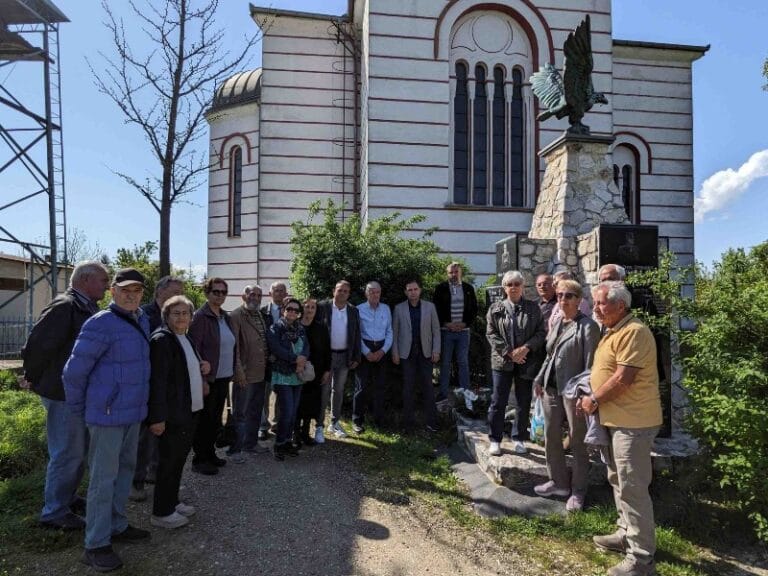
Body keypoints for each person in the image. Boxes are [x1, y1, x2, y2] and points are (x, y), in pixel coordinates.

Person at [63, 268, 152, 572]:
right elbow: (74, 373)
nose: (131, 295)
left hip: (132, 414)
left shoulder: (141, 319)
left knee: (124, 472)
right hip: (107, 417)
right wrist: (80, 411)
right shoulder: (100, 323)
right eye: (125, 289)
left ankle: (117, 524)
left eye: (137, 290)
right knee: (103, 480)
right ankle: (96, 544)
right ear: (113, 291)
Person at [580, 281, 662, 576]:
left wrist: (593, 399)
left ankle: (641, 558)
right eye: (595, 303)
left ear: (620, 305)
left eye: (601, 303)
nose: (596, 308)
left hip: (633, 423)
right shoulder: (613, 330)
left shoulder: (634, 331)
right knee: (618, 481)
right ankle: (625, 532)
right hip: (617, 420)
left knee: (633, 488)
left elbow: (622, 378)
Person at [22, 260, 110, 530]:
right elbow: (37, 346)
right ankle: (54, 512)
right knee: (67, 452)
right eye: (103, 280)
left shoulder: (86, 307)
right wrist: (33, 378)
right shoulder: (65, 306)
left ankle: (67, 498)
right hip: (62, 392)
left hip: (76, 392)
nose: (107, 286)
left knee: (77, 451)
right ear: (85, 280)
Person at [533, 280, 600, 511]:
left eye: (569, 295)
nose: (563, 299)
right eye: (560, 295)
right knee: (551, 436)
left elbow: (591, 366)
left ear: (579, 299)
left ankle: (578, 491)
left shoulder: (588, 327)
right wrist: (539, 378)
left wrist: (584, 395)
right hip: (551, 389)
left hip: (574, 393)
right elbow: (549, 355)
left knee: (578, 441)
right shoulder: (559, 322)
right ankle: (558, 482)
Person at [147, 295, 210, 529]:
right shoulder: (162, 340)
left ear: (191, 317)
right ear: (166, 316)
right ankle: (161, 512)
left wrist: (203, 366)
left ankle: (172, 502)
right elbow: (157, 382)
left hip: (188, 411)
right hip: (172, 415)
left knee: (178, 461)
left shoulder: (184, 337)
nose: (182, 317)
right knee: (168, 463)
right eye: (176, 313)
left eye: (185, 313)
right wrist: (157, 418)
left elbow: (187, 368)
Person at [131, 275, 185, 502]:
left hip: (169, 386)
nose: (179, 297)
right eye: (175, 292)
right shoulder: (144, 314)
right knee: (144, 437)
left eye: (181, 293)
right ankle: (136, 482)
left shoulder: (176, 315)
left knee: (163, 434)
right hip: (147, 383)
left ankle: (155, 473)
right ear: (160, 292)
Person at [485, 270, 546, 455]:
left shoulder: (533, 308)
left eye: (517, 284)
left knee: (523, 401)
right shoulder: (495, 308)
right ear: (504, 288)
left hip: (526, 360)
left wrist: (525, 348)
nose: (513, 287)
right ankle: (495, 439)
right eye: (509, 284)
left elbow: (541, 332)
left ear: (522, 287)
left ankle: (518, 437)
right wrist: (509, 353)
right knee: (498, 401)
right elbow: (491, 333)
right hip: (502, 361)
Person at [188, 277, 237, 475]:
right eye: (216, 291)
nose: (220, 295)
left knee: (215, 419)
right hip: (209, 379)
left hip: (223, 377)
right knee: (205, 421)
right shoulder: (200, 317)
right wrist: (202, 380)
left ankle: (210, 454)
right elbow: (195, 349)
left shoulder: (225, 317)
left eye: (223, 292)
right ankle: (200, 460)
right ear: (207, 293)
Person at [392, 279, 441, 432]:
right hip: (406, 354)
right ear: (405, 292)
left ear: (420, 290)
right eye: (409, 290)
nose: (413, 292)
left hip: (426, 354)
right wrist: (395, 352)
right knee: (408, 388)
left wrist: (436, 350)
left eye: (415, 289)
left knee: (428, 388)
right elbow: (394, 333)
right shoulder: (399, 308)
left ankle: (431, 423)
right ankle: (408, 424)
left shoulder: (430, 307)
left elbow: (436, 331)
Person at [228, 285, 270, 462]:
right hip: (245, 374)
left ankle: (251, 444)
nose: (256, 298)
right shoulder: (236, 316)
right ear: (244, 296)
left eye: (259, 295)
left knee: (255, 411)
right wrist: (239, 373)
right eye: (252, 294)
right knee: (241, 413)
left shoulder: (259, 314)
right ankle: (235, 450)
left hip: (260, 373)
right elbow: (235, 348)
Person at [317, 280, 361, 438]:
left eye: (345, 291)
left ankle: (334, 423)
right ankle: (319, 425)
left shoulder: (353, 310)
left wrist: (356, 356)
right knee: (324, 391)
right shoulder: (322, 307)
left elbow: (357, 334)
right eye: (340, 290)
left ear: (349, 294)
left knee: (339, 390)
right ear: (333, 291)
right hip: (326, 357)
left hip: (344, 356)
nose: (342, 293)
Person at [266, 298, 309, 460]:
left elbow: (306, 347)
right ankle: (279, 444)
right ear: (283, 310)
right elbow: (276, 349)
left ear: (299, 314)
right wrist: (296, 359)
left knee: (293, 411)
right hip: (282, 375)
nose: (292, 312)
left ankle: (287, 442)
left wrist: (303, 358)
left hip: (297, 375)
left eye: (296, 310)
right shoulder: (275, 328)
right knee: (287, 411)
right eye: (289, 309)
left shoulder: (301, 329)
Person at [433, 262, 478, 401]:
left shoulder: (468, 288)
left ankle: (466, 393)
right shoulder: (441, 288)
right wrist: (447, 324)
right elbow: (436, 309)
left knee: (463, 362)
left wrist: (465, 323)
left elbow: (474, 309)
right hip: (446, 331)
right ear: (447, 274)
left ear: (460, 272)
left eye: (456, 272)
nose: (453, 274)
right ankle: (443, 393)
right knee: (445, 362)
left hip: (464, 332)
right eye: (451, 272)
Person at [352, 281, 393, 432]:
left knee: (380, 387)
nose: (375, 295)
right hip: (365, 349)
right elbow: (356, 333)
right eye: (372, 292)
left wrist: (383, 351)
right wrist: (366, 352)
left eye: (377, 292)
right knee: (361, 387)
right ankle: (357, 421)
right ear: (366, 293)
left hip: (382, 349)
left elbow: (389, 331)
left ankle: (379, 421)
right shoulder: (358, 309)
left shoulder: (386, 308)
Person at [296, 297, 331, 445]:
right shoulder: (295, 325)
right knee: (297, 403)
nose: (309, 310)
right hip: (297, 371)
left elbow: (327, 350)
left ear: (316, 310)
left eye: (313, 307)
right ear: (302, 308)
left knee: (311, 404)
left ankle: (305, 433)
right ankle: (295, 434)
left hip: (315, 372)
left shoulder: (321, 327)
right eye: (307, 307)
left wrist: (327, 370)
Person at [258, 281, 287, 440]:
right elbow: (260, 336)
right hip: (267, 361)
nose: (279, 293)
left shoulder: (291, 311)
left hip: (284, 361)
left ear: (286, 293)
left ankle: (277, 424)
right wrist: (268, 354)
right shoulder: (262, 312)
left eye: (282, 291)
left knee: (281, 394)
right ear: (270, 293)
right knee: (264, 395)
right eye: (276, 290)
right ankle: (263, 426)